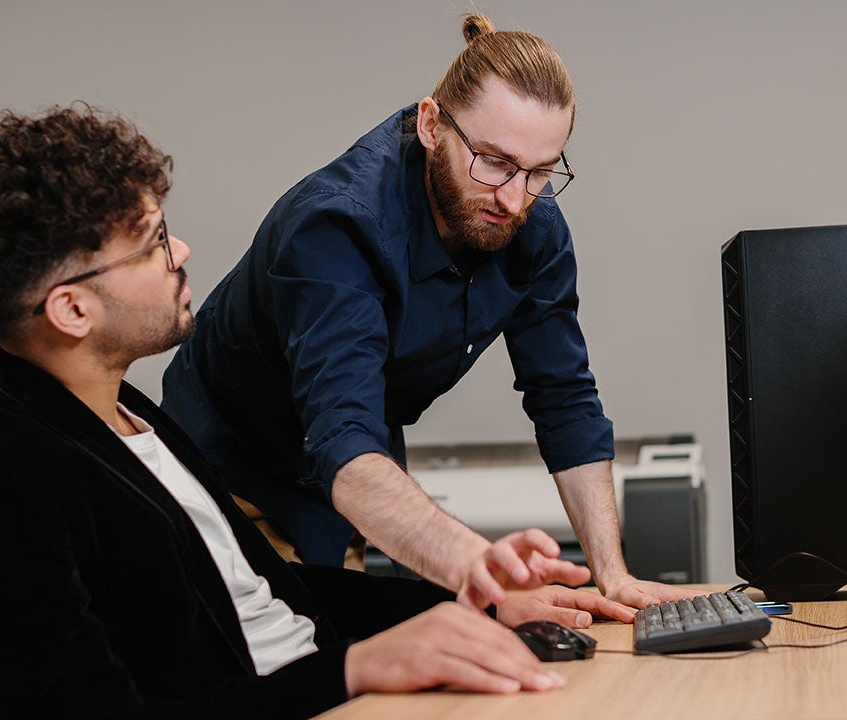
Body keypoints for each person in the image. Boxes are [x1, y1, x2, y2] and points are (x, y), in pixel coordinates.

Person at [0, 105, 624, 719]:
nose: (181, 251)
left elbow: (277, 595)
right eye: (153, 243)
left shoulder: (137, 421)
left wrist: (484, 609)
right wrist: (354, 670)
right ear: (71, 308)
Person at [163, 14, 698, 614]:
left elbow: (564, 397)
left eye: (541, 172)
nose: (514, 198)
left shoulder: (532, 222)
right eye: (493, 162)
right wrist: (486, 581)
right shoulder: (337, 227)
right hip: (232, 474)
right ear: (430, 123)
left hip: (354, 472)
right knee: (283, 662)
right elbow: (342, 434)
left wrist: (613, 575)